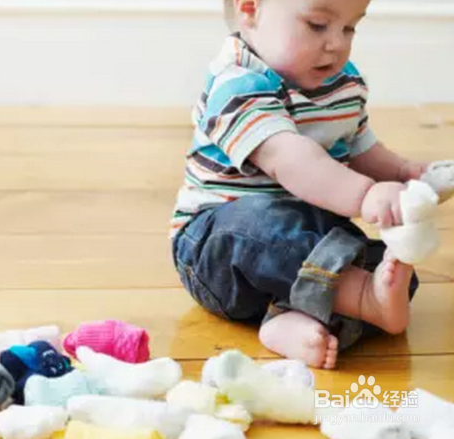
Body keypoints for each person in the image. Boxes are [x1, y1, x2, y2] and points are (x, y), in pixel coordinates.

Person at [170, 0, 427, 369]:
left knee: (391, 268)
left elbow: (361, 149)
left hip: (307, 243)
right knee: (265, 228)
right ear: (250, 8)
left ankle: (289, 319)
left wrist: (406, 173)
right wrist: (366, 195)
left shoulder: (342, 84)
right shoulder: (238, 85)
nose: (337, 44)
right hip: (217, 250)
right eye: (318, 25)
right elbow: (291, 161)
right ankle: (361, 297)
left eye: (350, 28)